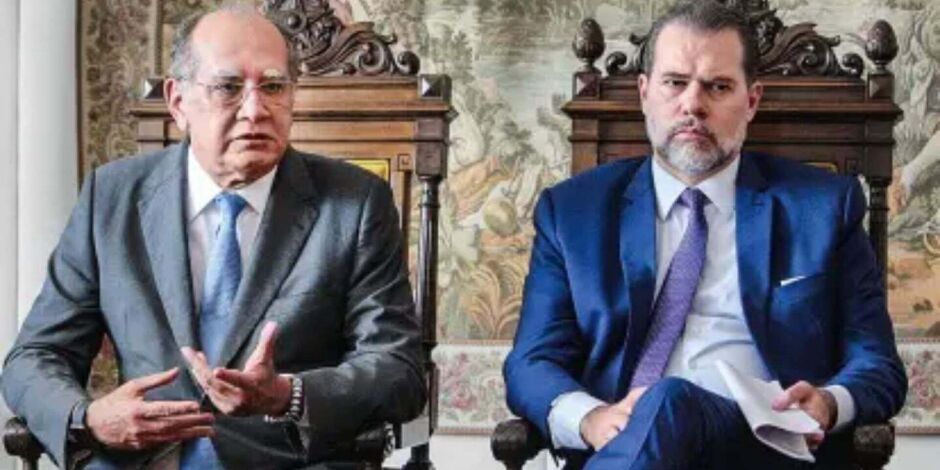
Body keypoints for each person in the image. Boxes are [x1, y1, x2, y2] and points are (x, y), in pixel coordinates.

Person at [1, 3, 424, 469]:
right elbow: (35, 356)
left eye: (273, 87)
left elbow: (399, 370)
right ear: (178, 101)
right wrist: (88, 419)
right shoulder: (112, 196)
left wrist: (288, 394)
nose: (255, 110)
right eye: (227, 87)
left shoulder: (355, 202)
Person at [503, 1, 907, 468]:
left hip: (765, 444)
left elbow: (878, 364)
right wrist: (592, 419)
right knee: (664, 406)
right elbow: (531, 363)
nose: (693, 104)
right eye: (675, 82)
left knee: (670, 400)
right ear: (644, 93)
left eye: (718, 86)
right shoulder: (573, 212)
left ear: (751, 101)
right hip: (625, 441)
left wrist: (830, 403)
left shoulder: (824, 208)